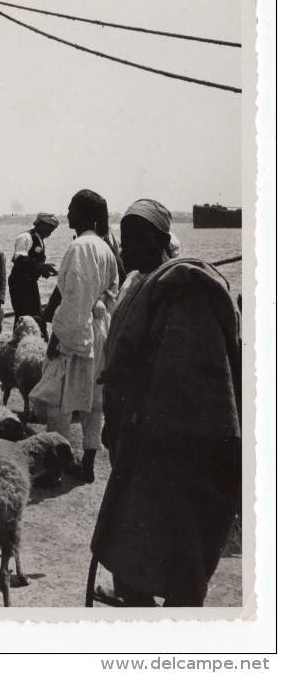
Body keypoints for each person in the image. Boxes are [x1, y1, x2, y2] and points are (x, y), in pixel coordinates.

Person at [90, 199, 241, 607]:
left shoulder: (187, 290)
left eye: (139, 240)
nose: (128, 249)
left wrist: (143, 409)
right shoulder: (140, 285)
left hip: (176, 449)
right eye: (124, 241)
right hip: (140, 447)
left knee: (181, 557)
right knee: (133, 549)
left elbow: (194, 377)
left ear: (162, 240)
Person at [29, 190, 119, 483]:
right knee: (94, 400)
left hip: (78, 332)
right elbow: (110, 295)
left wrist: (61, 338)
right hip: (99, 330)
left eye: (71, 209)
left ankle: (54, 468)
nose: (67, 214)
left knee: (59, 402)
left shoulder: (80, 247)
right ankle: (88, 464)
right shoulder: (105, 248)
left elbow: (75, 297)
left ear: (83, 214)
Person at [8, 213, 59, 321]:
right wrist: (42, 266)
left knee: (34, 315)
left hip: (30, 283)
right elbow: (20, 260)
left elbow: (32, 264)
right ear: (41, 225)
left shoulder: (40, 239)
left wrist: (44, 271)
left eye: (52, 230)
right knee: (23, 316)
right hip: (19, 283)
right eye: (49, 229)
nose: (50, 233)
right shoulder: (26, 237)